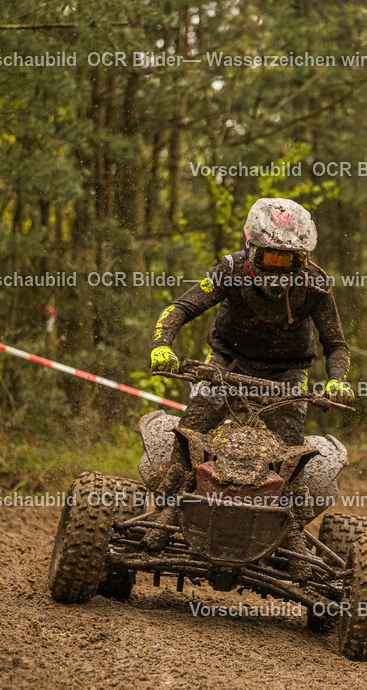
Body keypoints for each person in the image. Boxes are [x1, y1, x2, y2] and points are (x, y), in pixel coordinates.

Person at [149, 197, 354, 578]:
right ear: (250, 245)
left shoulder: (316, 283)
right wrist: (163, 345)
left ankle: (289, 530)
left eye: (289, 258)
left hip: (288, 375)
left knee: (290, 454)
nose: (279, 265)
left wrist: (338, 381)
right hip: (227, 365)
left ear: (303, 256)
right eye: (270, 256)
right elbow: (182, 307)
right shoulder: (229, 270)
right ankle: (168, 507)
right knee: (192, 430)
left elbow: (336, 343)